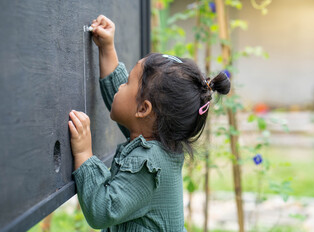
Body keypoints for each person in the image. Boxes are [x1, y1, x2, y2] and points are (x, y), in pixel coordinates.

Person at [68, 15, 230, 232]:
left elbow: (102, 210)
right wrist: (107, 49)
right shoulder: (156, 140)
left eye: (127, 83)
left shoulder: (148, 164)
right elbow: (126, 107)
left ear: (143, 109)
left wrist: (84, 155)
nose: (120, 87)